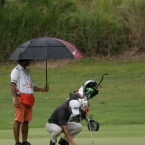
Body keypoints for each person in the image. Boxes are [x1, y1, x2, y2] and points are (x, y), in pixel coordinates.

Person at [10, 59, 49, 145]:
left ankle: (24, 141)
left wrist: (42, 89)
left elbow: (30, 86)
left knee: (26, 120)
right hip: (20, 98)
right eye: (28, 59)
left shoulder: (27, 71)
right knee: (18, 120)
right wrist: (15, 99)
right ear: (24, 60)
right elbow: (12, 85)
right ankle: (17, 142)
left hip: (28, 99)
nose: (30, 61)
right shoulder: (16, 70)